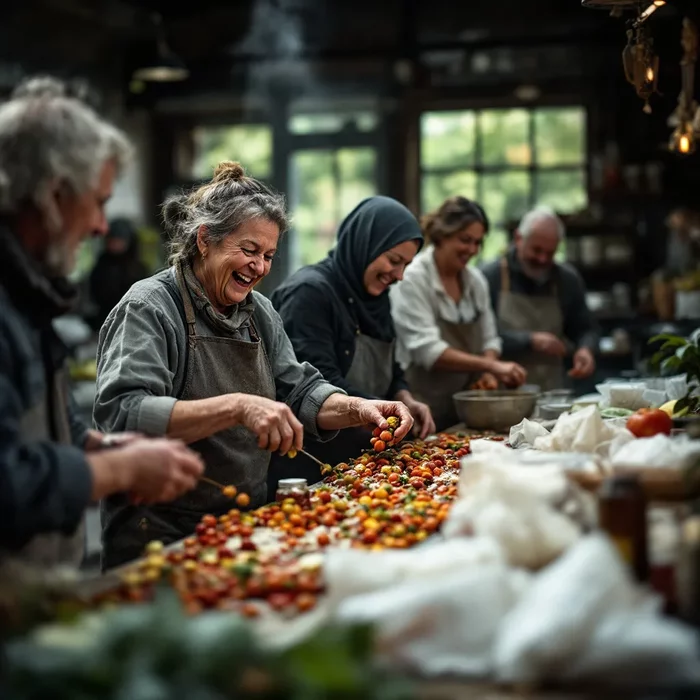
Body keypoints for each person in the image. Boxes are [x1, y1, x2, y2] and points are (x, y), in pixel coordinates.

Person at [94, 161, 414, 569]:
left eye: (268, 255)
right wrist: (238, 406)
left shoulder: (258, 311)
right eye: (248, 250)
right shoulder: (150, 308)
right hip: (158, 530)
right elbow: (124, 414)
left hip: (240, 521)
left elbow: (298, 390)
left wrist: (358, 408)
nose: (260, 267)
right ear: (205, 240)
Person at [0, 76, 205, 568]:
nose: (98, 226)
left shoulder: (29, 290)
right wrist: (115, 469)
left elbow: (41, 416)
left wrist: (97, 443)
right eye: (98, 202)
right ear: (53, 196)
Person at [270, 196, 435, 477]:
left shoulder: (376, 297)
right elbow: (314, 386)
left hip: (368, 457)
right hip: (316, 463)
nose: (400, 276)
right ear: (364, 243)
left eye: (406, 265)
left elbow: (389, 365)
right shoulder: (309, 293)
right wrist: (383, 411)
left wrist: (405, 396)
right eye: (394, 261)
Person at [390, 196, 527, 431]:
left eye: (478, 242)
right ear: (442, 234)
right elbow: (428, 351)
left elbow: (489, 339)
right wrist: (493, 367)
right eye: (465, 240)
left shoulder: (475, 282)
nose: (472, 250)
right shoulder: (412, 280)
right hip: (425, 409)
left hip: (470, 412)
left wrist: (489, 371)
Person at [481, 206, 599, 392]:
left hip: (553, 393)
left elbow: (585, 328)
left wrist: (585, 349)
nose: (543, 259)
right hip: (501, 394)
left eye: (550, 253)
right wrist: (530, 340)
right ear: (519, 239)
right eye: (536, 250)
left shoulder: (566, 280)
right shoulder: (489, 277)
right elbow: (480, 338)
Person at [88, 218, 148, 328]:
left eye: (118, 240)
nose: (114, 244)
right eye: (112, 240)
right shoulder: (102, 264)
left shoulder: (137, 267)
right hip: (106, 318)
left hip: (133, 319)